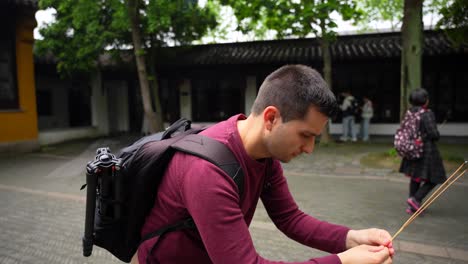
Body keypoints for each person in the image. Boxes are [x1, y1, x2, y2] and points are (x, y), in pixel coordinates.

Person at [134, 65, 395, 264]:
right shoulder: (208, 171)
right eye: (305, 135)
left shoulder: (264, 155)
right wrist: (343, 260)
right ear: (271, 118)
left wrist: (353, 238)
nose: (309, 149)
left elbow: (290, 218)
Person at [399, 88, 447, 215]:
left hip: (412, 149)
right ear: (425, 101)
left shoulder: (409, 113)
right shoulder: (426, 114)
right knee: (436, 177)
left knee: (415, 177)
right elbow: (434, 134)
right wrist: (436, 133)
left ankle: (412, 205)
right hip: (426, 151)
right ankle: (416, 199)